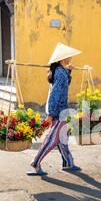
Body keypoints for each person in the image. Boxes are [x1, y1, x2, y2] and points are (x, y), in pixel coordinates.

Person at [28, 43, 83, 177]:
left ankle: (68, 163)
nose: (70, 58)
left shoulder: (60, 71)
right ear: (62, 59)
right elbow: (55, 94)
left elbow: (65, 85)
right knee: (52, 139)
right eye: (68, 56)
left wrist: (69, 71)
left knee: (63, 138)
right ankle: (36, 163)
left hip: (62, 110)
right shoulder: (59, 72)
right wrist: (51, 114)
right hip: (58, 112)